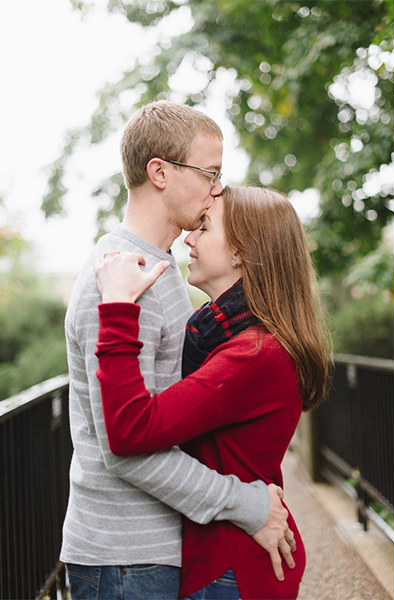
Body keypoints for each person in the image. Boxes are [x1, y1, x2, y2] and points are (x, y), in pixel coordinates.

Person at [62, 101, 293, 599]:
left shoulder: (157, 271)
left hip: (151, 548)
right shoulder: (121, 277)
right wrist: (246, 503)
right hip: (123, 555)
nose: (216, 187)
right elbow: (126, 446)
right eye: (209, 172)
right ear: (160, 172)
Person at [92, 185, 330, 599]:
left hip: (228, 570)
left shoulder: (252, 354)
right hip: (233, 560)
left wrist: (117, 309)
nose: (189, 237)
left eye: (204, 227)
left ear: (241, 251)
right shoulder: (230, 336)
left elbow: (131, 429)